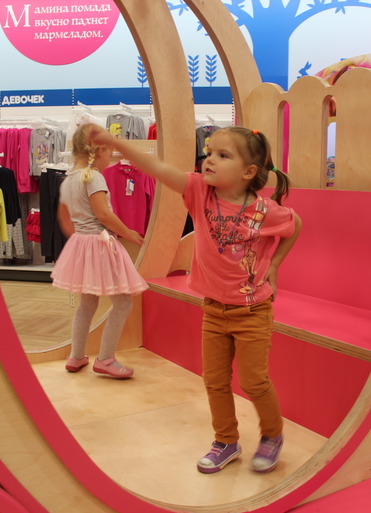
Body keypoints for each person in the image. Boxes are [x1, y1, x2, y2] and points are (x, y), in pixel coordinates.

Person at [101, 126, 302, 474]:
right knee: (214, 381)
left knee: (254, 381)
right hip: (213, 310)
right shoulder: (199, 192)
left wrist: (275, 265)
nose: (209, 159)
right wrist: (114, 142)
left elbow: (294, 224)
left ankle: (272, 435)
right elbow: (157, 168)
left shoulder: (266, 210)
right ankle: (226, 441)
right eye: (209, 152)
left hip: (252, 311)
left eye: (223, 155)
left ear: (248, 172)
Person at [51, 123, 149, 379]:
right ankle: (105, 359)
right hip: (100, 243)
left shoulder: (68, 180)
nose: (111, 158)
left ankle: (76, 355)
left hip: (81, 243)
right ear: (99, 151)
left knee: (87, 302)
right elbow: (104, 215)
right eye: (110, 152)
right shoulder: (93, 177)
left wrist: (80, 243)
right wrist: (128, 233)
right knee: (123, 302)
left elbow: (64, 219)